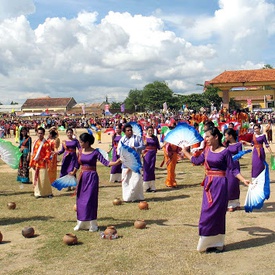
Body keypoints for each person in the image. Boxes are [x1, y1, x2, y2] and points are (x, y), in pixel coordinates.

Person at [181, 127, 249, 253]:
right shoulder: (206, 150)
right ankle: (206, 243)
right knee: (206, 213)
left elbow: (233, 169)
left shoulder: (225, 152)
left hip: (221, 184)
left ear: (216, 137)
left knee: (218, 213)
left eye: (208, 136)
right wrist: (185, 152)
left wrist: (243, 180)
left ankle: (218, 244)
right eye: (205, 137)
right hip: (209, 184)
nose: (205, 139)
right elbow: (196, 161)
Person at [73, 133, 121, 232]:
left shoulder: (95, 152)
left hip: (92, 177)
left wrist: (116, 162)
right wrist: (72, 172)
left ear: (87, 142)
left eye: (81, 142)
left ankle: (92, 224)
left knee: (90, 200)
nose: (80, 144)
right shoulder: (80, 151)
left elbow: (106, 163)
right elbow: (77, 164)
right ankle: (81, 223)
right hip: (82, 177)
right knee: (80, 200)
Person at [117, 123, 145, 202]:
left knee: (137, 179)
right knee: (126, 180)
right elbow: (119, 150)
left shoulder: (137, 138)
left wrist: (135, 148)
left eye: (130, 130)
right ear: (124, 132)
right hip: (125, 163)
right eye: (128, 130)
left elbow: (143, 146)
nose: (130, 131)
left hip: (136, 163)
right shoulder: (122, 140)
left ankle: (137, 196)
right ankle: (127, 197)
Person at [29, 127, 53, 198]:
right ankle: (37, 193)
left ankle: (47, 193)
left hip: (42, 163)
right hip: (35, 163)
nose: (40, 135)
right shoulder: (35, 142)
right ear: (36, 133)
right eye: (38, 133)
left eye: (41, 133)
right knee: (35, 178)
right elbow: (32, 154)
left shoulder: (46, 143)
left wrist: (44, 159)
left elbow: (48, 153)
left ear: (44, 134)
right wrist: (31, 163)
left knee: (43, 179)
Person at [224, 128, 242, 211]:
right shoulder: (226, 145)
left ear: (230, 136)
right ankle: (229, 203)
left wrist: (233, 157)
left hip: (235, 165)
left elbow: (240, 155)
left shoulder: (238, 144)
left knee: (235, 183)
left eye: (226, 135)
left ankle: (236, 203)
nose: (225, 137)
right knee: (229, 184)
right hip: (227, 166)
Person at [142, 126, 160, 192]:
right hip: (146, 154)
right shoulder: (144, 138)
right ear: (146, 131)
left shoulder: (155, 138)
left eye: (151, 130)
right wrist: (144, 145)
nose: (150, 132)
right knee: (146, 169)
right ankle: (146, 187)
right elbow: (141, 146)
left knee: (152, 169)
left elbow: (158, 146)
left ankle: (152, 187)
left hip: (153, 155)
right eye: (149, 130)